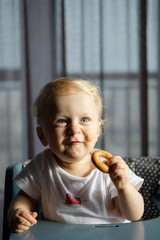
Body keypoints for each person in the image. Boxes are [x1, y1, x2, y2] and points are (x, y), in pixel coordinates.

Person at [8, 77, 144, 233]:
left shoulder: (111, 168)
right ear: (42, 135)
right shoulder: (41, 165)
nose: (74, 130)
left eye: (84, 119)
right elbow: (25, 198)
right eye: (62, 121)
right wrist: (17, 212)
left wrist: (124, 187)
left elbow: (134, 215)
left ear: (98, 130)